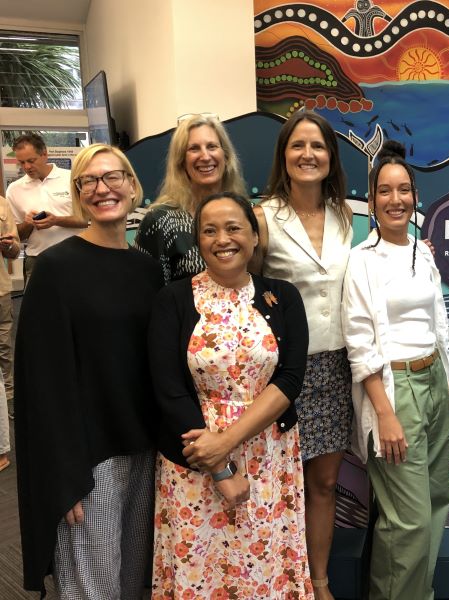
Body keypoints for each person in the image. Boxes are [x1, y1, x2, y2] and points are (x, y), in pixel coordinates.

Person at [14, 143, 161, 596]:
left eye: (112, 177)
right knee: (92, 591)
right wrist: (62, 476)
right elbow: (40, 383)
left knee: (136, 585)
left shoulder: (147, 269)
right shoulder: (57, 268)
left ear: (132, 186)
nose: (102, 189)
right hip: (88, 462)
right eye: (89, 181)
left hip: (144, 454)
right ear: (78, 193)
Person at [149, 192, 312, 598]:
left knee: (264, 566)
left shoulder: (284, 296)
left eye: (234, 227)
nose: (223, 239)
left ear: (255, 237)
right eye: (209, 230)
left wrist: (227, 440)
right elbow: (168, 389)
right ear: (198, 241)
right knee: (200, 569)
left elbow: (290, 379)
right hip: (195, 456)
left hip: (266, 457)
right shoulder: (174, 299)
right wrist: (218, 465)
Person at [342, 140, 449, 600]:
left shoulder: (422, 253)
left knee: (434, 506)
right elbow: (360, 343)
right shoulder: (361, 261)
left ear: (415, 197)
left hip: (433, 383)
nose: (396, 200)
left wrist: (447, 380)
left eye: (404, 190)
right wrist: (385, 413)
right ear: (371, 202)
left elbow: (439, 320)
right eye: (385, 191)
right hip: (394, 389)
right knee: (406, 520)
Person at [253, 110, 353, 599]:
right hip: (283, 370)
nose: (308, 154)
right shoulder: (263, 218)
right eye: (298, 146)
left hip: (336, 365)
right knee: (276, 481)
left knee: (325, 483)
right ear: (283, 156)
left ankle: (319, 583)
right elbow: (243, 291)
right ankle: (277, 580)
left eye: (317, 146)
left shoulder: (348, 215)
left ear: (331, 157)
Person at [135, 113, 249, 284]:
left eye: (212, 146)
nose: (205, 156)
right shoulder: (161, 221)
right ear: (181, 161)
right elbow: (150, 293)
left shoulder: (245, 212)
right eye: (194, 149)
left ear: (226, 156)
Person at [6, 133, 88, 284]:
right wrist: (28, 223)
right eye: (21, 162)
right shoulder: (14, 189)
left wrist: (56, 220)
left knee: (80, 306)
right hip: (37, 259)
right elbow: (17, 234)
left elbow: (87, 220)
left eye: (31, 160)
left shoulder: (72, 179)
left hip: (77, 256)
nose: (27, 167)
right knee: (38, 307)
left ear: (44, 154)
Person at [0, 193, 19, 451]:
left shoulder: (2, 203)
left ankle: (9, 404)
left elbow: (15, 251)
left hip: (0, 290)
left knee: (4, 349)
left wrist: (8, 246)